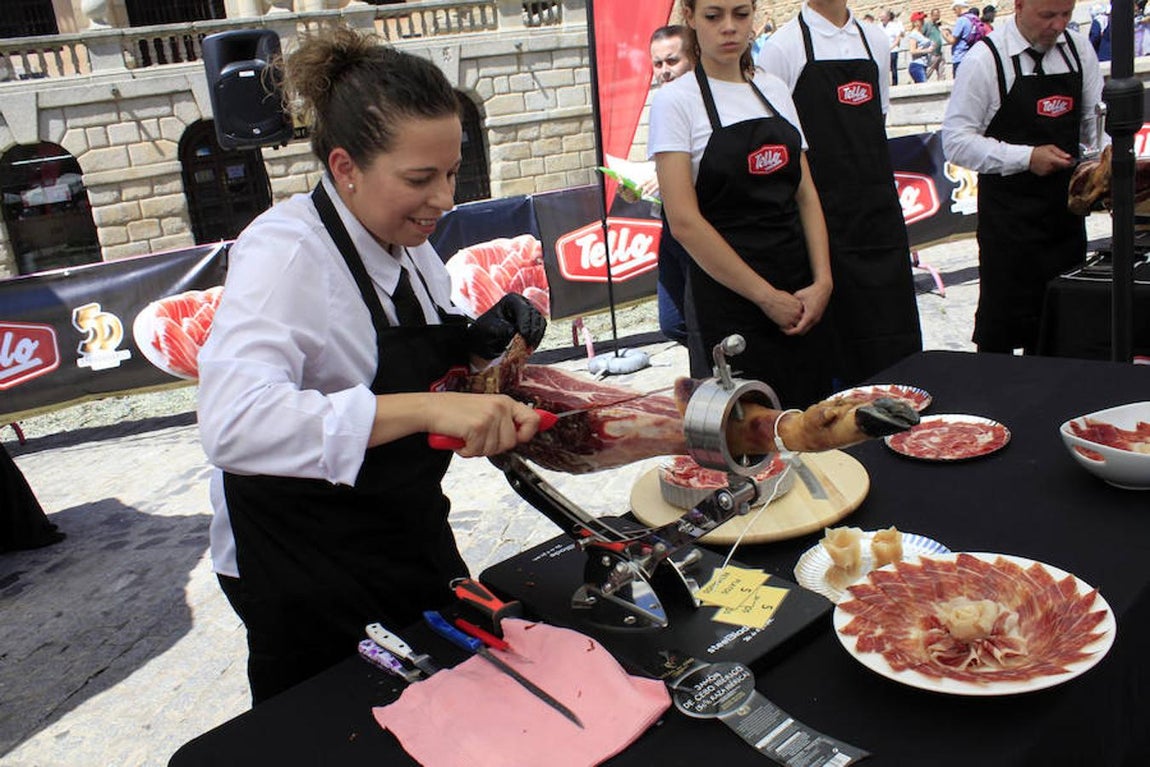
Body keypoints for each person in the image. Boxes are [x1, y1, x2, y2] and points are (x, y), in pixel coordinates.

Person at [196, 26, 548, 705]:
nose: (445, 199)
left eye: (451, 172)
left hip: (404, 528)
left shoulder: (408, 241)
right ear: (345, 167)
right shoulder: (286, 252)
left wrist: (480, 347)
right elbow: (233, 424)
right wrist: (428, 407)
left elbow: (410, 356)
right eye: (420, 179)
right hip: (302, 561)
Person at [649, 0, 835, 408]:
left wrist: (823, 282)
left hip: (800, 296)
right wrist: (766, 298)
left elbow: (805, 194)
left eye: (740, 14)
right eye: (714, 16)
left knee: (813, 423)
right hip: (729, 304)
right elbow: (684, 222)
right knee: (749, 432)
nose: (729, 27)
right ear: (690, 18)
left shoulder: (775, 90)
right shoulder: (675, 102)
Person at [757, 0, 923, 388]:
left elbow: (877, 123)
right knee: (840, 362)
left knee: (896, 354)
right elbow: (780, 145)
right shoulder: (783, 48)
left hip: (880, 223)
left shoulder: (875, 40)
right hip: (824, 229)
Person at [941, 0, 1104, 354]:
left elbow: (1095, 126)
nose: (1058, 25)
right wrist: (1026, 157)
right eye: (1047, 15)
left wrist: (1100, 163)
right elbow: (955, 142)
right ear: (1018, 5)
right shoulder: (986, 60)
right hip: (1009, 230)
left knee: (1063, 337)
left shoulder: (1078, 51)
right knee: (1002, 339)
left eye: (1065, 15)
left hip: (1065, 225)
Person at [646, 25, 695, 344]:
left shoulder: (700, 102)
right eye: (657, 63)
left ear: (692, 58)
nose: (664, 70)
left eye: (672, 61)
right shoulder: (663, 104)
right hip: (670, 225)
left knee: (696, 320)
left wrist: (666, 177)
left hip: (698, 226)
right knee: (673, 322)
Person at [944, 0, 982, 75]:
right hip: (971, 55)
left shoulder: (961, 20)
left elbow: (952, 40)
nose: (954, 12)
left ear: (959, 8)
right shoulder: (974, 18)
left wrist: (945, 34)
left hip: (960, 57)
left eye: (954, 9)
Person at [906, 11, 934, 82]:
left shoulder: (920, 33)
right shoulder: (914, 34)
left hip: (923, 64)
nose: (923, 21)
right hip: (917, 65)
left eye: (923, 19)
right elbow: (912, 51)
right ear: (915, 22)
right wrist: (927, 50)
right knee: (924, 86)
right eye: (920, 20)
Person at [882, 10, 905, 85]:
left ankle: (895, 84)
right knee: (884, 69)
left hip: (893, 50)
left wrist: (890, 48)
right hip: (883, 51)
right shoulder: (880, 27)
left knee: (893, 68)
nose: (881, 18)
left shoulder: (894, 26)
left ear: (888, 17)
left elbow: (897, 39)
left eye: (883, 17)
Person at [923, 8, 947, 79]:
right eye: (935, 15)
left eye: (938, 15)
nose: (937, 17)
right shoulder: (927, 25)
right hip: (932, 54)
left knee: (941, 73)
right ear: (932, 15)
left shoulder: (938, 25)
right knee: (928, 72)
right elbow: (922, 36)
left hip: (939, 52)